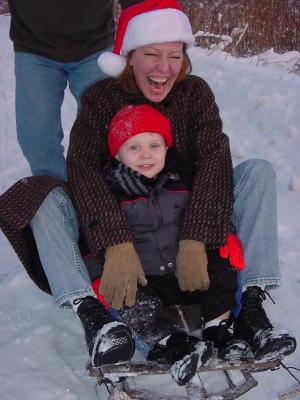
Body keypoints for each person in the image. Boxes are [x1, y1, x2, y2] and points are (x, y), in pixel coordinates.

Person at [0, 0, 296, 382]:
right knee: (39, 194)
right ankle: (93, 314)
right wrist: (115, 242)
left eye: (174, 56)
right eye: (151, 54)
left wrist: (195, 240)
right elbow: (83, 170)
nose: (163, 67)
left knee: (257, 171)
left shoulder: (195, 94)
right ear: (130, 57)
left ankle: (252, 306)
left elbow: (214, 160)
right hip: (131, 232)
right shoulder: (101, 98)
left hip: (186, 218)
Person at [87, 103, 252, 385]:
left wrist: (225, 236)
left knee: (221, 269)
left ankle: (219, 329)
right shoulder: (110, 192)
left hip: (188, 272)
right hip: (147, 278)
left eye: (154, 144)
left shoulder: (184, 180)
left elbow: (208, 214)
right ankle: (171, 343)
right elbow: (95, 234)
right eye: (134, 147)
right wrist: (97, 273)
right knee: (131, 300)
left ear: (166, 149)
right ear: (117, 153)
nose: (146, 154)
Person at [7, 0, 142, 180]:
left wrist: (147, 19)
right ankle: (55, 194)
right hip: (33, 47)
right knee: (37, 139)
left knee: (104, 128)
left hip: (95, 45)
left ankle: (92, 188)